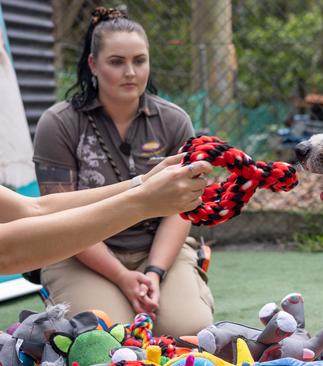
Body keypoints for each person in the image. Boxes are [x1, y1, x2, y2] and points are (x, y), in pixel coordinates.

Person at [32, 7, 213, 336]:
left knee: (191, 331)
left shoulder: (175, 121)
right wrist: (121, 276)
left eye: (139, 60)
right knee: (105, 335)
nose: (130, 72)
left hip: (156, 250)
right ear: (93, 65)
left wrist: (155, 272)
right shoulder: (58, 124)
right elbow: (57, 218)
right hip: (76, 248)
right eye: (116, 62)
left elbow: (181, 209)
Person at [0, 156, 210, 275]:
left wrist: (142, 183)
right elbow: (6, 252)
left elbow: (33, 209)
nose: (130, 74)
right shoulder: (61, 121)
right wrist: (142, 202)